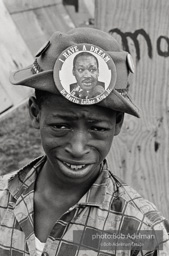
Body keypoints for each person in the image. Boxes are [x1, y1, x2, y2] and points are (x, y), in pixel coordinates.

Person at [0, 27, 168, 256]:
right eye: (60, 126)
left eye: (97, 128)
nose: (78, 148)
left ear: (117, 123)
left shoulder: (138, 228)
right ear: (35, 113)